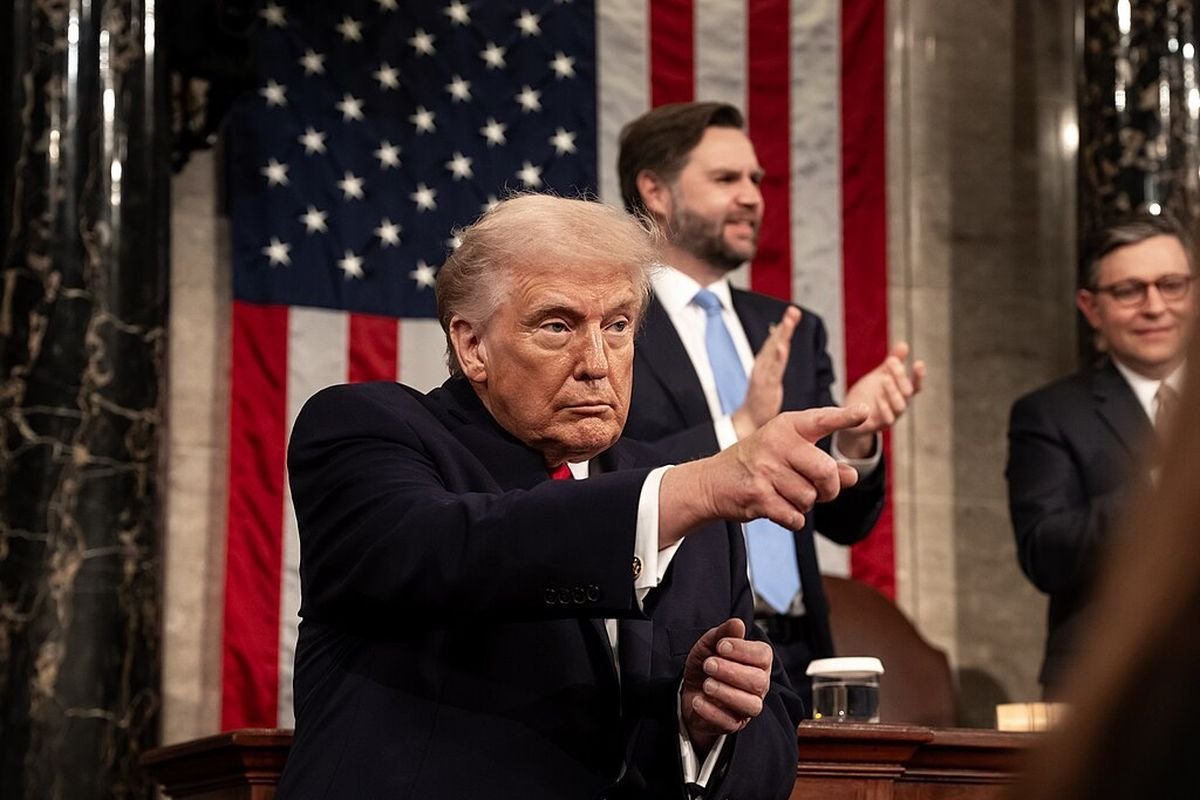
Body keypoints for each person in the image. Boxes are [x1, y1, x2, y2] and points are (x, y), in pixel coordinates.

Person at [275, 195, 872, 799]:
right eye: (557, 326)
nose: (597, 364)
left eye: (617, 326)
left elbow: (771, 746)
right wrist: (697, 485)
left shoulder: (690, 515)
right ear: (473, 345)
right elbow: (452, 547)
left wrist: (698, 727)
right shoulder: (367, 429)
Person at [616, 101, 925, 694]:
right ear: (655, 191)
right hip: (680, 649)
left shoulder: (791, 329)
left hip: (802, 648)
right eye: (726, 179)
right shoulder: (615, 324)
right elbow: (605, 480)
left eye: (755, 179)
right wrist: (737, 428)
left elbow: (842, 520)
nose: (752, 197)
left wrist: (854, 437)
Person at [1017, 245, 1200, 800]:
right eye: (1129, 290)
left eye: (1172, 285)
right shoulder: (1050, 413)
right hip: (1107, 695)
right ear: (1091, 307)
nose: (1155, 306)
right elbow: (1045, 551)